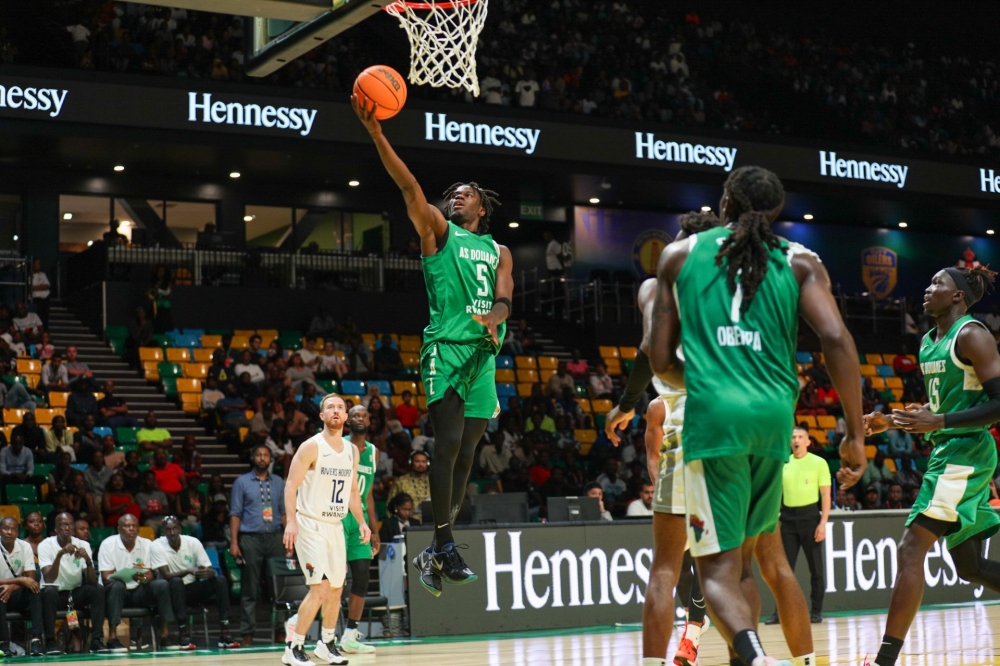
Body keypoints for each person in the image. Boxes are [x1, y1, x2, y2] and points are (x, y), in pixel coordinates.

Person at [647, 166, 865, 666]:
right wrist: (854, 433)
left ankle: (754, 655)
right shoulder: (801, 260)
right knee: (753, 562)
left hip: (714, 416)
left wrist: (713, 376)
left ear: (724, 204)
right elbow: (836, 339)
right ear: (775, 212)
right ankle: (778, 657)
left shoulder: (679, 255)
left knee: (717, 571)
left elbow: (659, 359)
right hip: (774, 416)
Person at [354, 94, 513, 595]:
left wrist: (497, 315)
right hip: (446, 350)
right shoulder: (438, 232)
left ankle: (436, 551)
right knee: (445, 447)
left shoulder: (499, 249)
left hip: (484, 355)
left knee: (467, 456)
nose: (456, 196)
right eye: (453, 193)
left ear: (482, 207)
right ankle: (443, 543)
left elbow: (506, 294)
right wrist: (378, 133)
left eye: (466, 193)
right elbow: (409, 186)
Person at [865, 265, 1000, 666]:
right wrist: (892, 420)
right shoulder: (929, 342)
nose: (927, 289)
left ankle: (884, 660)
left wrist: (938, 422)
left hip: (966, 453)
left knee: (910, 550)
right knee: (969, 567)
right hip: (948, 450)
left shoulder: (972, 335)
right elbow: (940, 407)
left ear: (958, 295)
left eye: (937, 283)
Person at [282, 394, 370, 666]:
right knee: (319, 588)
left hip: (335, 525)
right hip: (310, 523)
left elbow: (353, 491)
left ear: (345, 417)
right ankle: (293, 647)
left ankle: (327, 643)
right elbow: (290, 485)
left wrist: (363, 522)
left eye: (340, 408)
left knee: (335, 587)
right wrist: (291, 521)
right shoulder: (311, 446)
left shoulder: (352, 451)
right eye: (330, 407)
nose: (335, 411)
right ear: (321, 416)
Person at [764, 427, 831, 625]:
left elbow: (826, 495)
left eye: (801, 437)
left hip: (810, 517)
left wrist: (823, 523)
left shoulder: (819, 463)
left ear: (808, 442)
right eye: (793, 437)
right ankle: (779, 613)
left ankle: (816, 611)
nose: (796, 440)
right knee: (783, 569)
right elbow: (775, 493)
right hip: (787, 518)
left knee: (816, 569)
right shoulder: (784, 462)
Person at [152, 516, 239, 650]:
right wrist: (188, 570)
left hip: (191, 590)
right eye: (168, 529)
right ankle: (183, 634)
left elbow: (207, 568)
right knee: (176, 581)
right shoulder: (156, 545)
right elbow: (166, 575)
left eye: (175, 528)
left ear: (180, 529)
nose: (172, 532)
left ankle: (225, 632)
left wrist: (208, 573)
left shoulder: (193, 542)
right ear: (163, 532)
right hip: (170, 593)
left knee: (220, 580)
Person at [229, 444, 286, 647]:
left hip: (275, 537)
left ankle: (281, 630)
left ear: (271, 459)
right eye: (259, 455)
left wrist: (289, 539)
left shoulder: (279, 482)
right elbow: (235, 513)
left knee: (279, 588)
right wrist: (234, 542)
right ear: (253, 458)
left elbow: (284, 512)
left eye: (266, 455)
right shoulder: (241, 482)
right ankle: (247, 633)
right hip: (251, 539)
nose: (262, 458)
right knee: (249, 588)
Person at [98, 514, 179, 652]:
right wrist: (126, 575)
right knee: (117, 585)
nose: (131, 529)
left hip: (138, 590)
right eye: (127, 526)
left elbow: (149, 575)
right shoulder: (108, 544)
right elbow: (106, 577)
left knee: (162, 584)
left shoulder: (147, 544)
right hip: (116, 593)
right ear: (119, 529)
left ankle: (165, 636)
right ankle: (112, 638)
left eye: (134, 526)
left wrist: (142, 578)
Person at [338, 405, 381, 654]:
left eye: (364, 415)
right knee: (333, 580)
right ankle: (326, 636)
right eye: (355, 415)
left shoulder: (374, 452)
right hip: (338, 517)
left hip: (361, 520)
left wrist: (374, 530)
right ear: (348, 421)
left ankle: (350, 636)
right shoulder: (338, 445)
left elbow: (370, 495)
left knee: (362, 576)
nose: (360, 418)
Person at [39, 512, 109, 654]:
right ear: (56, 528)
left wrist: (88, 560)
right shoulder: (45, 545)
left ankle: (96, 639)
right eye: (63, 524)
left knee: (98, 589)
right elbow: (48, 579)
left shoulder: (83, 545)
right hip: (54, 596)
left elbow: (91, 581)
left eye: (70, 524)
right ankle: (51, 641)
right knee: (49, 591)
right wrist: (59, 555)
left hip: (74, 594)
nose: (67, 527)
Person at [0, 516, 45, 657]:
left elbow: (30, 578)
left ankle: (36, 640)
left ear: (18, 532)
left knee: (34, 589)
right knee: (1, 593)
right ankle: (3, 643)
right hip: (2, 593)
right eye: (5, 528)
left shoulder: (24, 546)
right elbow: (24, 579)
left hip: (16, 593)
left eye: (13, 529)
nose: (9, 532)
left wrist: (12, 587)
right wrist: (19, 580)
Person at [387, 451, 431, 521]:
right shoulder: (401, 481)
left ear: (427, 464)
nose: (421, 464)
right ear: (411, 463)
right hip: (407, 523)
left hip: (431, 523)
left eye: (423, 462)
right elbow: (390, 506)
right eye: (417, 461)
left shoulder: (433, 482)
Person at [30, 259, 51, 328]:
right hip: (35, 299)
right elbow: (30, 288)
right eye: (37, 263)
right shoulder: (28, 275)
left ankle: (45, 330)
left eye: (39, 263)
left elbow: (46, 286)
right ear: (33, 264)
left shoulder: (43, 274)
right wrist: (41, 286)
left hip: (45, 298)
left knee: (45, 316)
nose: (39, 265)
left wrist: (36, 287)